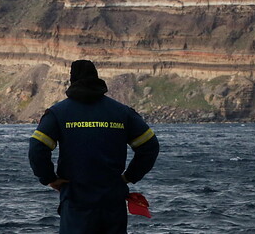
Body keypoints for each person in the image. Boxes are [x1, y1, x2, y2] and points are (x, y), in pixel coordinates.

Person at [28, 60, 160, 233]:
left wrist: (50, 179)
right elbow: (149, 146)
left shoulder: (58, 113)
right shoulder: (122, 112)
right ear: (97, 78)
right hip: (112, 199)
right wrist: (128, 177)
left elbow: (37, 149)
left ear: (72, 79)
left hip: (76, 199)